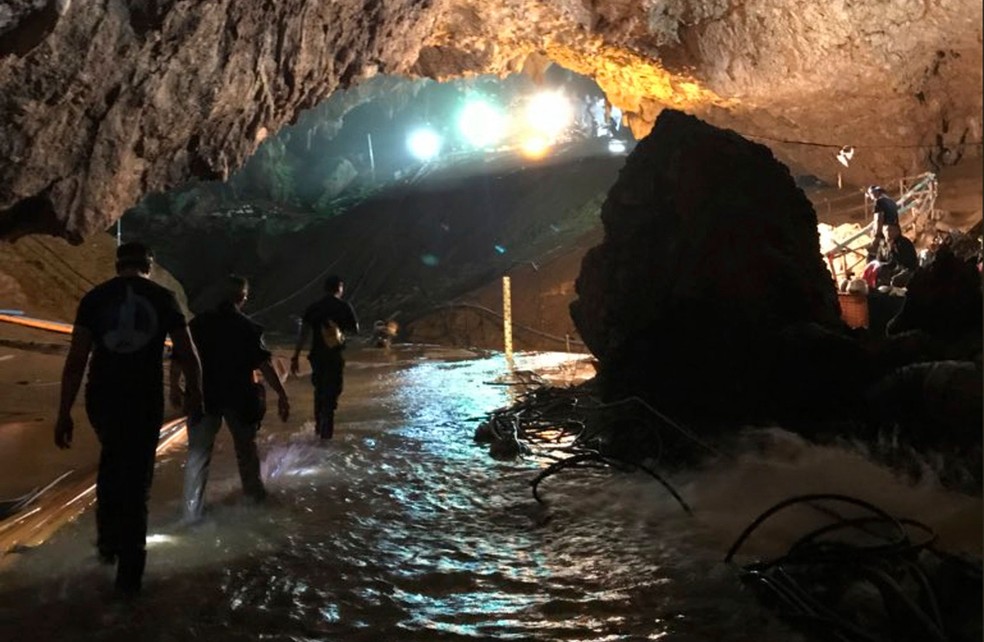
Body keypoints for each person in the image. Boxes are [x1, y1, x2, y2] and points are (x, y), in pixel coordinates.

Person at [54, 242, 203, 596]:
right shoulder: (164, 298)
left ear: (117, 264)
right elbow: (188, 353)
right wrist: (195, 396)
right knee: (137, 479)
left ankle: (107, 548)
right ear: (149, 265)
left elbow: (76, 360)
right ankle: (129, 575)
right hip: (143, 398)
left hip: (102, 397)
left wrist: (63, 412)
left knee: (111, 462)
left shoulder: (95, 298)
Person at [173, 275, 290, 523]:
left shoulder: (198, 324)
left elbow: (181, 357)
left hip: (204, 397)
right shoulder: (248, 327)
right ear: (243, 298)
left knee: (198, 455)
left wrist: (175, 387)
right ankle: (254, 502)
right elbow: (265, 365)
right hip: (240, 397)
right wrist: (281, 394)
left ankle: (191, 513)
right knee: (246, 451)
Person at [291, 275, 359, 440]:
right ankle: (326, 435)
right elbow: (355, 329)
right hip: (334, 356)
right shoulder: (344, 306)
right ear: (339, 288)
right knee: (332, 393)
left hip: (316, 357)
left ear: (325, 288)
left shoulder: (314, 307)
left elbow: (303, 334)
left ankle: (318, 428)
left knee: (319, 391)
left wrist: (295, 356)